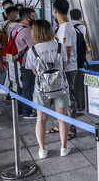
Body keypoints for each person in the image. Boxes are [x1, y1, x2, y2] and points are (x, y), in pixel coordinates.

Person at [26, 20, 71, 159]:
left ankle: (42, 150)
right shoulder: (59, 46)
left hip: (41, 90)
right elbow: (64, 67)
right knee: (62, 118)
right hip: (60, 87)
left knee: (41, 119)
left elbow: (34, 72)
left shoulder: (32, 50)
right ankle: (63, 147)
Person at [50, 0, 77, 140]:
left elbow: (66, 51)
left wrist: (62, 69)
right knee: (62, 98)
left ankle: (71, 127)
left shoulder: (66, 27)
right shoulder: (63, 27)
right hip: (63, 68)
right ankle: (62, 124)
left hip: (67, 69)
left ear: (55, 10)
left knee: (69, 98)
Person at [14, 7, 38, 119]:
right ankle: (27, 112)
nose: (35, 19)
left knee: (20, 87)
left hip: (17, 62)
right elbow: (34, 47)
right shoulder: (26, 30)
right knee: (28, 87)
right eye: (33, 17)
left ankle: (20, 109)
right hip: (26, 63)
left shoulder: (16, 28)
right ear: (26, 18)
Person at [69, 8, 90, 113]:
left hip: (69, 59)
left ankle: (72, 104)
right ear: (81, 17)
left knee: (70, 83)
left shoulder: (66, 27)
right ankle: (80, 104)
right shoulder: (82, 27)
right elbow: (83, 41)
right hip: (79, 58)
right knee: (79, 81)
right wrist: (87, 49)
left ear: (70, 17)